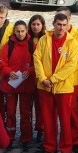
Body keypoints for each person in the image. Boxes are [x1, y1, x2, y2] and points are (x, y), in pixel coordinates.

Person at [33, 13, 78, 153]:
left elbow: (71, 65)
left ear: (67, 25)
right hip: (45, 86)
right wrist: (42, 78)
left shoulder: (72, 42)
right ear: (53, 24)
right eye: (58, 24)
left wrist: (53, 79)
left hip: (63, 87)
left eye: (64, 25)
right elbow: (37, 58)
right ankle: (49, 147)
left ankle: (66, 148)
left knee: (65, 119)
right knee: (47, 118)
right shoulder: (44, 39)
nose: (61, 28)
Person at [0, 20, 35, 151]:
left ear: (26, 31)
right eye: (18, 31)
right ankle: (9, 138)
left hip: (26, 84)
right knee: (10, 113)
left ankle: (26, 139)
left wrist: (30, 71)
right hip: (11, 85)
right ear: (14, 31)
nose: (20, 34)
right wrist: (9, 72)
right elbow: (1, 63)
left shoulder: (32, 45)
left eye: (22, 31)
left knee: (26, 113)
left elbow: (38, 62)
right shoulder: (8, 45)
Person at [28, 15, 47, 145]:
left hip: (40, 77)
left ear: (42, 25)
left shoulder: (45, 39)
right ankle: (27, 130)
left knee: (41, 107)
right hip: (28, 78)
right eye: (33, 24)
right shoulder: (27, 38)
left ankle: (41, 129)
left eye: (38, 24)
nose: (35, 27)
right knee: (28, 106)